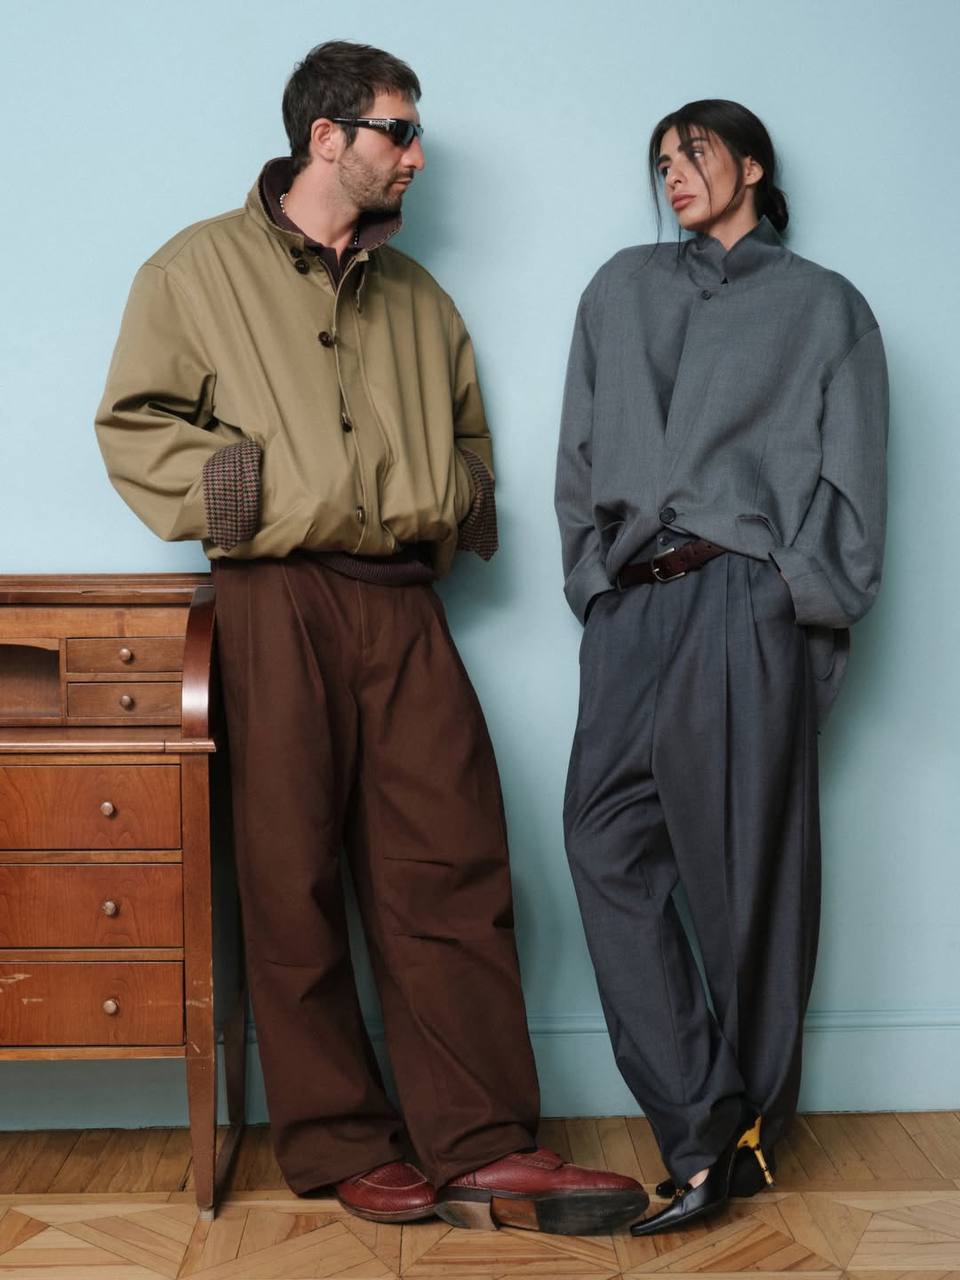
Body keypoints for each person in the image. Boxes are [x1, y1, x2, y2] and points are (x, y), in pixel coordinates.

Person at [95, 40, 647, 1235]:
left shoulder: (418, 298)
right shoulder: (194, 270)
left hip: (401, 600)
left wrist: (449, 502)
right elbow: (135, 424)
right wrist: (253, 494)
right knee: (289, 870)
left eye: (414, 130)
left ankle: (485, 1141)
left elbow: (469, 441)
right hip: (272, 596)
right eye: (398, 129)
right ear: (326, 136)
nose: (417, 153)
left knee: (452, 856)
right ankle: (343, 1137)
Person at [555, 99, 887, 1234]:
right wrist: (591, 583)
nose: (674, 175)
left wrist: (790, 591)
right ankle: (706, 1118)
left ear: (751, 164)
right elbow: (578, 452)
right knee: (602, 843)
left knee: (747, 877)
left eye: (692, 153)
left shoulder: (825, 307)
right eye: (660, 162)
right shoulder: (620, 288)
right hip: (630, 609)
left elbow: (855, 484)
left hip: (745, 602)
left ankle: (736, 1144)